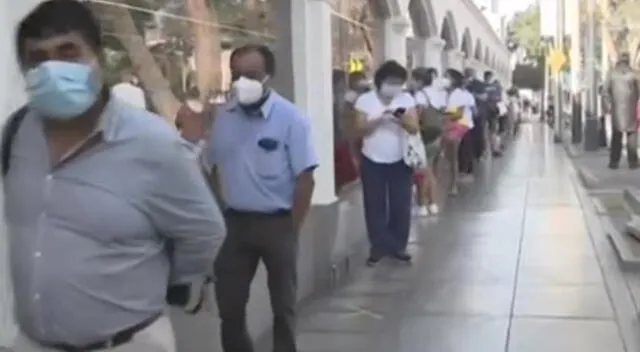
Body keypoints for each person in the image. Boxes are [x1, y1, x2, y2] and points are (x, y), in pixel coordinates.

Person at [7, 1, 226, 351]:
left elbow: (203, 231)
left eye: (68, 52)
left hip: (126, 343)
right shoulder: (16, 134)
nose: (53, 68)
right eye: (38, 58)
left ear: (98, 56)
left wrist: (159, 283)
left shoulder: (152, 142)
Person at [206, 44, 318, 352]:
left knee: (283, 308)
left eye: (252, 75)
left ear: (269, 76)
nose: (243, 82)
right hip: (234, 224)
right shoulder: (222, 117)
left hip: (278, 223)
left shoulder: (292, 119)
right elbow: (208, 166)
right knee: (229, 308)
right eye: (237, 74)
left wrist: (291, 229)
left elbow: (306, 179)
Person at [353, 60, 420, 265]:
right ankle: (379, 245)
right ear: (380, 81)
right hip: (372, 158)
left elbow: (414, 128)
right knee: (375, 203)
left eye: (399, 82)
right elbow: (359, 129)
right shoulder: (365, 101)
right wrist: (378, 120)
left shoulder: (406, 99)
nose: (395, 86)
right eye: (391, 81)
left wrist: (400, 119)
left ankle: (398, 245)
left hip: (400, 158)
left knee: (401, 203)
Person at [411, 67, 443, 216]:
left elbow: (418, 114)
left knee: (423, 171)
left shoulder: (420, 95)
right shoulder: (437, 93)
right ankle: (433, 203)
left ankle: (423, 204)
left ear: (419, 80)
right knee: (430, 169)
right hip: (436, 133)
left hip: (424, 134)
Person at [602, 52, 640, 169]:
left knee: (616, 136)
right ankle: (632, 161)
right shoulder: (634, 74)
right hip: (631, 108)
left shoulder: (612, 74)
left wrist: (608, 107)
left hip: (616, 109)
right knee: (632, 135)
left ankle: (614, 161)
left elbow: (605, 92)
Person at [442, 69, 475, 195]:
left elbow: (457, 113)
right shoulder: (446, 94)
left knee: (453, 157)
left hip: (459, 126)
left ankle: (454, 184)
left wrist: (445, 116)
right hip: (452, 124)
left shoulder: (460, 94)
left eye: (447, 77)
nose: (444, 79)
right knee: (449, 157)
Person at [484, 70, 503, 157]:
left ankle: (488, 149)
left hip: (486, 111)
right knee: (493, 130)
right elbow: (499, 98)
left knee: (488, 130)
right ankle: (493, 149)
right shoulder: (495, 87)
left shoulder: (482, 86)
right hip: (491, 111)